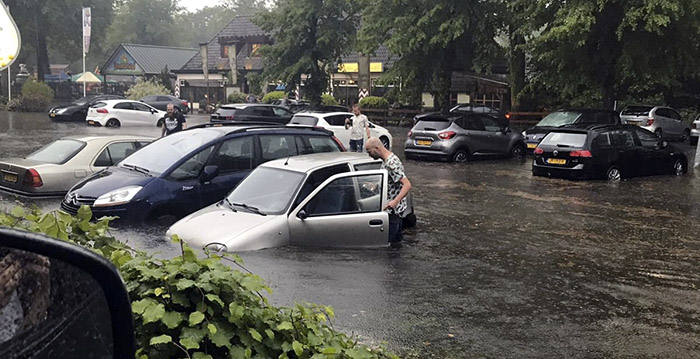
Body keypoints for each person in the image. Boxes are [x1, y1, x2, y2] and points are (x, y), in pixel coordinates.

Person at [365, 137, 412, 247]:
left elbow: (407, 185)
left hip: (392, 212)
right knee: (395, 246)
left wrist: (395, 201)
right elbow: (390, 182)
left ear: (376, 148)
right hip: (395, 211)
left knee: (387, 248)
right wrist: (374, 186)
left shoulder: (391, 163)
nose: (369, 155)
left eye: (369, 151)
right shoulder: (388, 159)